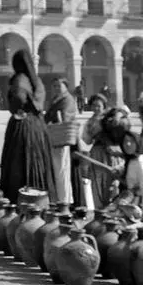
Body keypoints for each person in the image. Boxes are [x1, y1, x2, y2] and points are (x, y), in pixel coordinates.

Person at [0, 49, 56, 204]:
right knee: (37, 161)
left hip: (22, 125)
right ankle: (39, 199)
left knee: (19, 162)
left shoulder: (20, 79)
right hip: (38, 126)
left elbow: (18, 98)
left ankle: (17, 199)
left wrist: (17, 108)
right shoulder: (37, 81)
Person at [44, 77, 78, 207]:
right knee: (56, 170)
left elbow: (64, 117)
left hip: (62, 138)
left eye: (59, 86)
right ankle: (57, 198)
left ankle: (64, 201)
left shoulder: (67, 99)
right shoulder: (56, 99)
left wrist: (54, 119)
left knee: (62, 170)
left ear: (66, 86)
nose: (57, 88)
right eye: (55, 86)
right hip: (54, 137)